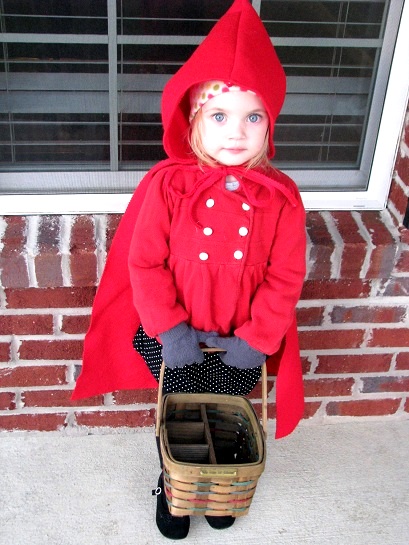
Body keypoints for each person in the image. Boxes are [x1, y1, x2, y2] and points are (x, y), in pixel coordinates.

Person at [72, 0, 306, 540]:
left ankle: (222, 482)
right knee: (178, 410)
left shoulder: (281, 197)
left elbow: (285, 276)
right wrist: (171, 330)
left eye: (253, 117)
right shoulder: (169, 185)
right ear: (194, 118)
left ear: (269, 123)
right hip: (173, 334)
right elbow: (144, 260)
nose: (236, 132)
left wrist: (257, 338)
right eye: (220, 115)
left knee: (227, 409)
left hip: (240, 338)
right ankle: (174, 486)